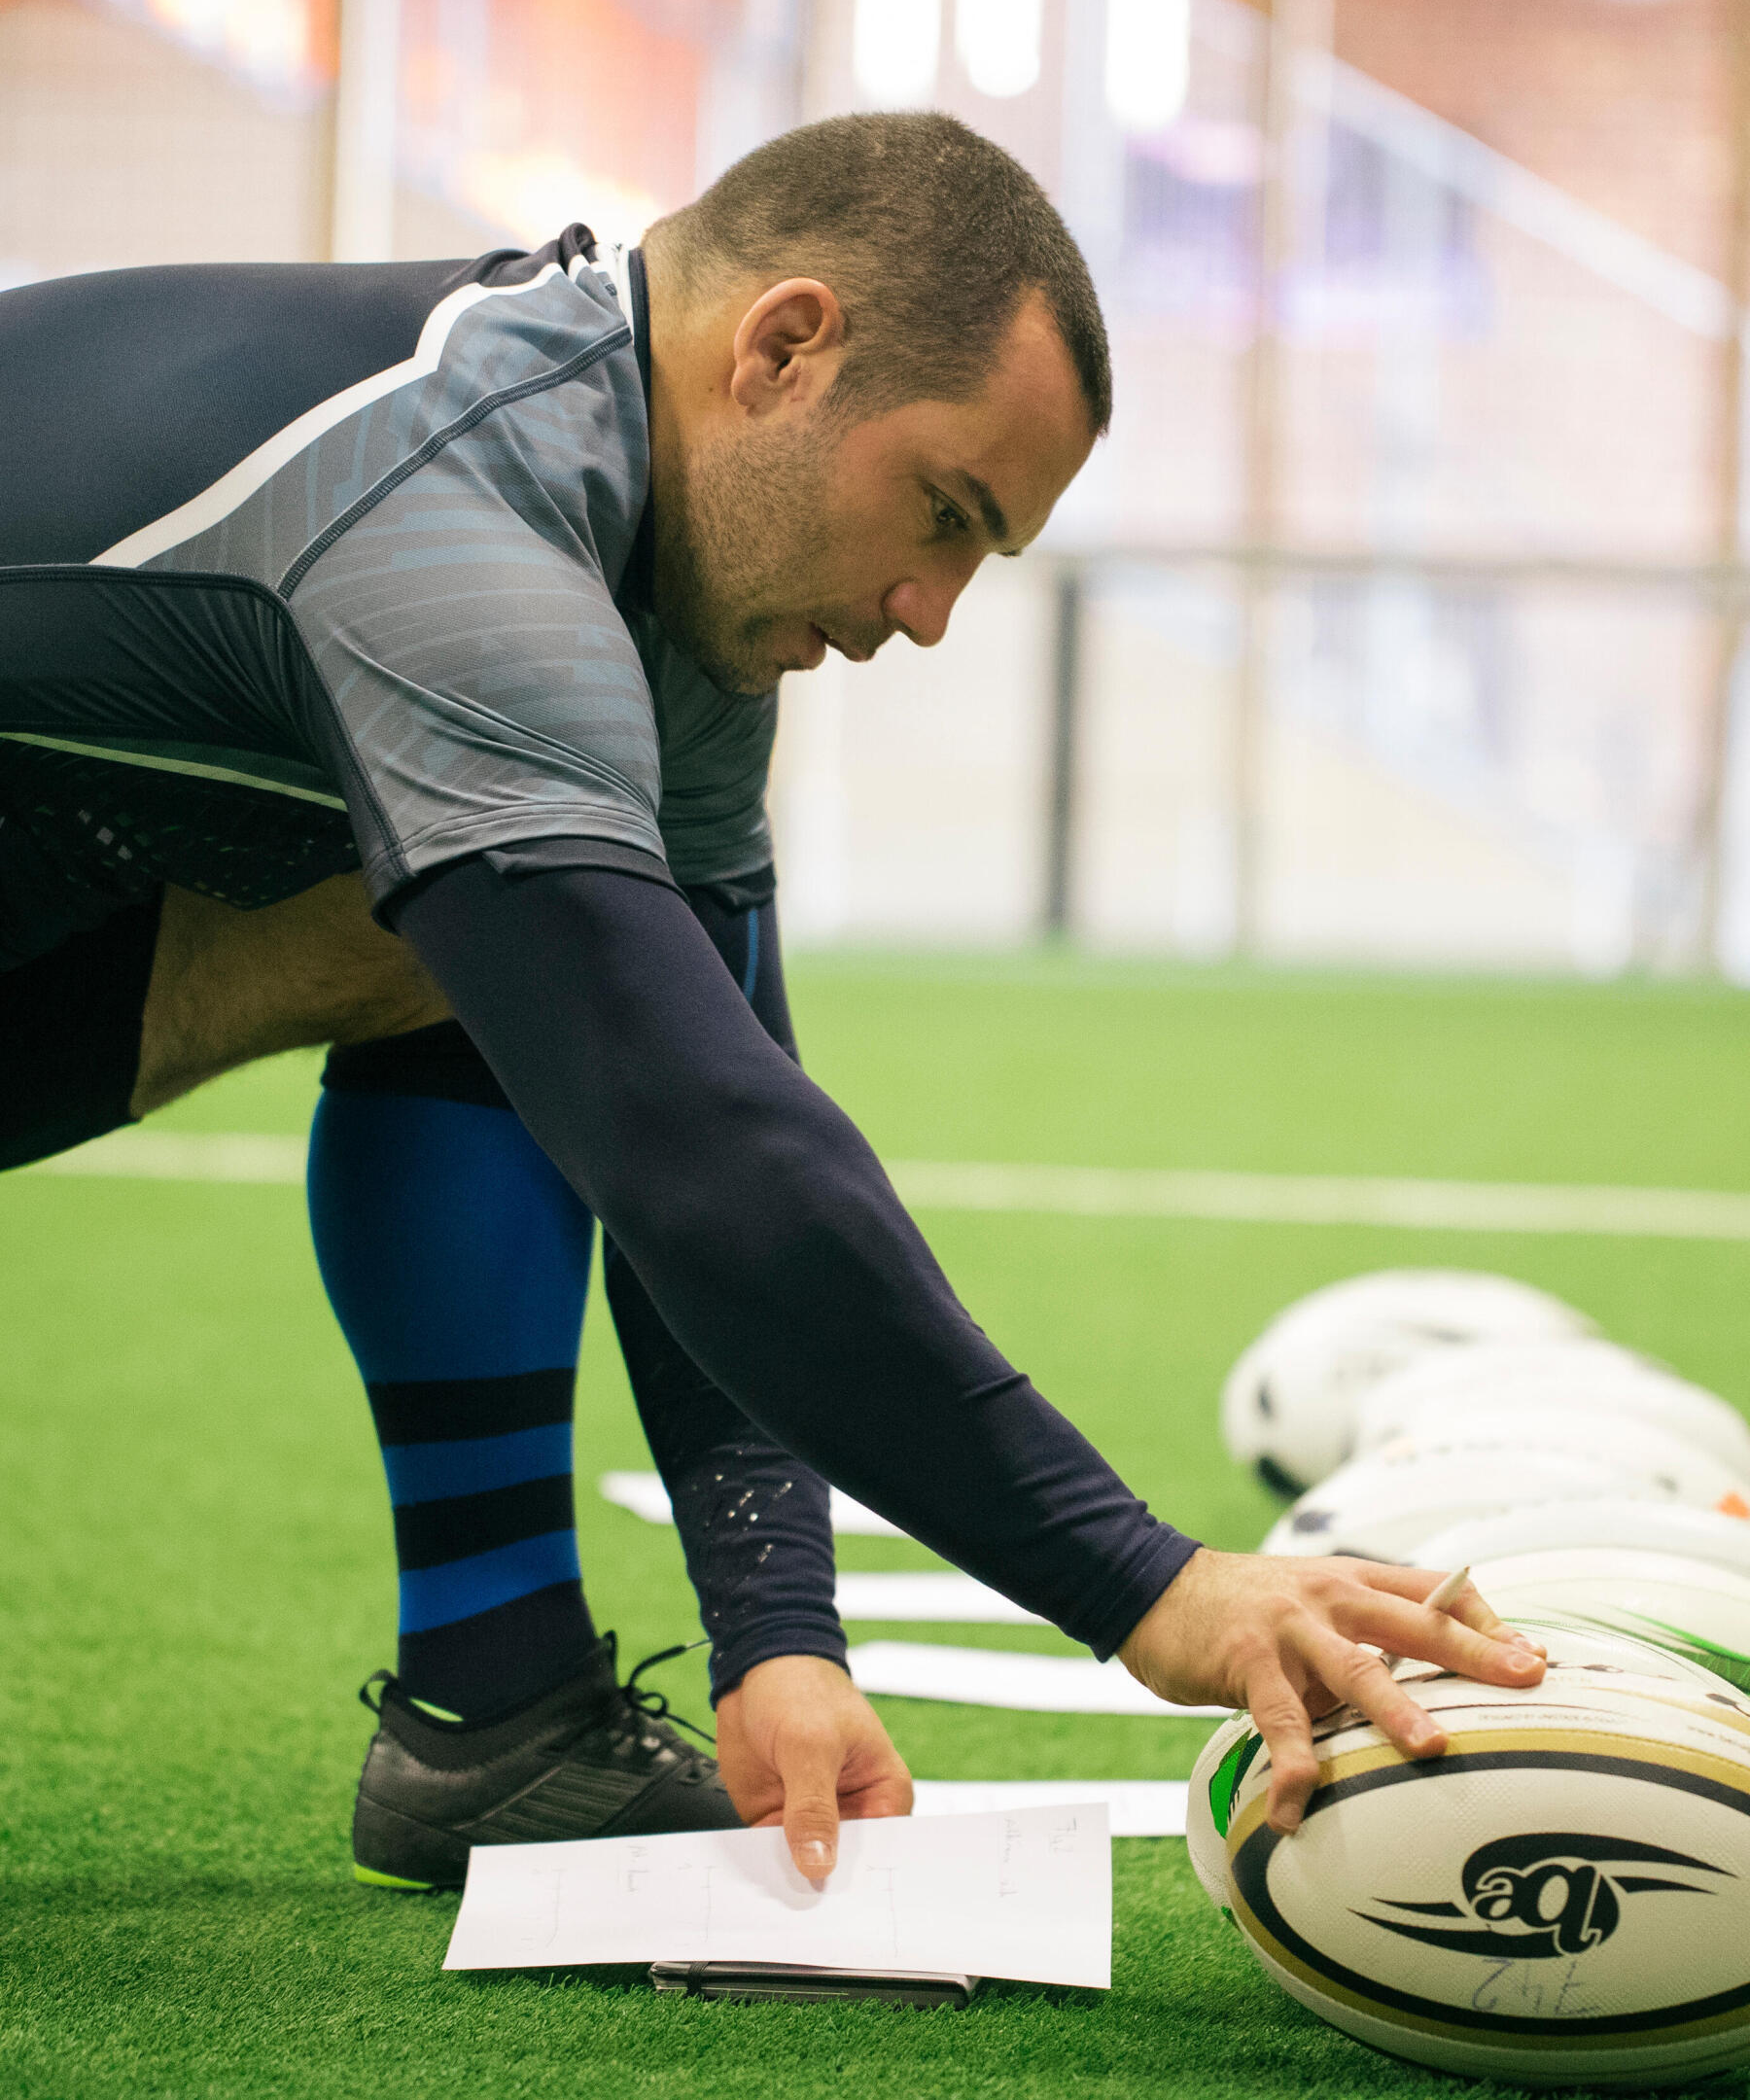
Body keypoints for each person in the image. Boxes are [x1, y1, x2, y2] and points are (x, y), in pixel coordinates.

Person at [0, 111, 1544, 1893]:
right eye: (944, 512)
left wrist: (778, 1630)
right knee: (529, 945)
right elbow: (696, 1148)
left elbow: (720, 1072)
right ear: (784, 349)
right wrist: (1151, 1584)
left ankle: (496, 1711)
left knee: (484, 940)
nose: (931, 611)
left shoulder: (652, 575)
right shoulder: (453, 516)